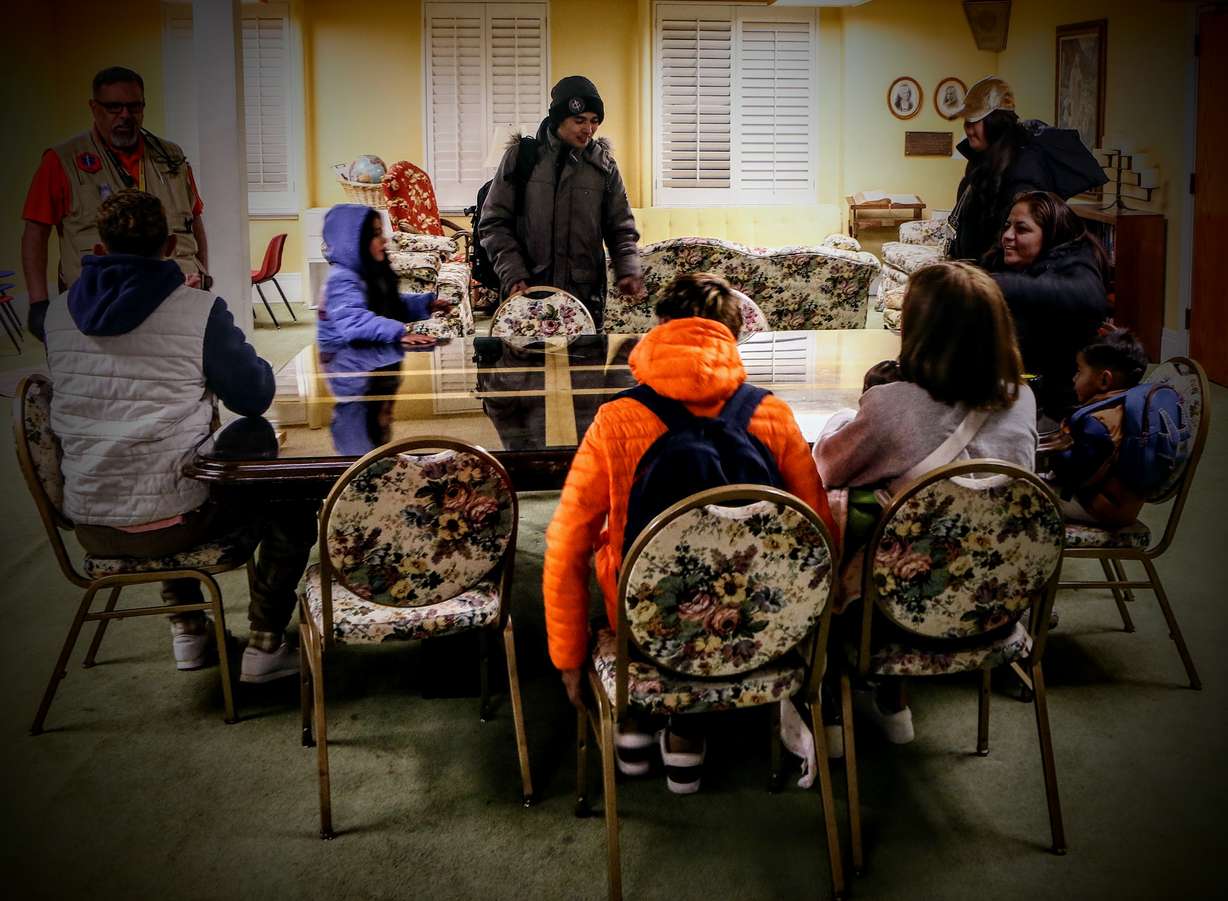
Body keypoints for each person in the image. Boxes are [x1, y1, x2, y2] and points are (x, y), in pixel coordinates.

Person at [542, 273, 835, 793]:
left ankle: (636, 721)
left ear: (658, 329)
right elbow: (819, 535)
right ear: (734, 335)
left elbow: (567, 542)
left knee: (612, 555)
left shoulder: (616, 419)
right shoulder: (772, 413)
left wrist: (567, 657)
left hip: (643, 621)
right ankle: (687, 730)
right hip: (750, 614)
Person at [42, 191, 317, 681]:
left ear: (99, 250)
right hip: (182, 522)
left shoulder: (56, 314)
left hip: (89, 520)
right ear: (170, 246)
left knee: (149, 460)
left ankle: (188, 627)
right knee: (289, 491)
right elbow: (253, 397)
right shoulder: (197, 310)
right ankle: (265, 642)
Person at [813, 261, 1037, 744]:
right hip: (997, 604)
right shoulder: (1022, 400)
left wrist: (841, 420)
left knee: (838, 515)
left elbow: (828, 467)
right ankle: (895, 701)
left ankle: (829, 702)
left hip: (897, 613)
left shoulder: (896, 405)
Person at [22, 66, 210, 342]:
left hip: (178, 300)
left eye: (134, 107)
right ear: (94, 108)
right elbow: (35, 232)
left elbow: (194, 222)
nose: (125, 116)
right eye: (114, 107)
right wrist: (38, 302)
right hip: (99, 308)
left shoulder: (172, 157)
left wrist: (205, 274)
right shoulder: (63, 161)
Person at [479, 75, 643, 330]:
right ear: (558, 119)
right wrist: (513, 274)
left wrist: (628, 269)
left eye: (594, 121)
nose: (588, 129)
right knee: (523, 368)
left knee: (586, 369)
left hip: (584, 300)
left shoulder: (604, 167)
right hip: (526, 293)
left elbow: (621, 227)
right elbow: (493, 223)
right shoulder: (521, 157)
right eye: (579, 120)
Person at [947, 75, 1106, 263]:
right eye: (967, 122)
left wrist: (983, 277)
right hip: (975, 275)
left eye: (974, 122)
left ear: (995, 123)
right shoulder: (984, 161)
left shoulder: (1025, 170)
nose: (968, 129)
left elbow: (1016, 250)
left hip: (996, 283)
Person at [983, 191, 1111, 421]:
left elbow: (1090, 297)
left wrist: (989, 284)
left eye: (1022, 229)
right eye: (1007, 226)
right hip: (1020, 388)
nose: (1007, 236)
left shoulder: (1078, 262)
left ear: (1051, 234)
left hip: (1056, 404)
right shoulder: (1009, 261)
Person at [1049, 329, 1149, 527]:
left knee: (1021, 492)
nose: (1074, 379)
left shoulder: (1098, 424)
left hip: (1099, 508)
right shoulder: (1127, 404)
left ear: (1104, 380)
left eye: (1079, 371)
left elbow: (1071, 474)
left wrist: (1054, 452)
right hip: (1122, 505)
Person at [317, 203, 450, 347]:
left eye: (381, 232)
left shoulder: (367, 272)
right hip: (342, 356)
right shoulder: (340, 279)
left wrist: (425, 305)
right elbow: (354, 322)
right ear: (353, 242)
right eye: (376, 234)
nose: (384, 240)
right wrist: (397, 332)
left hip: (367, 351)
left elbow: (391, 305)